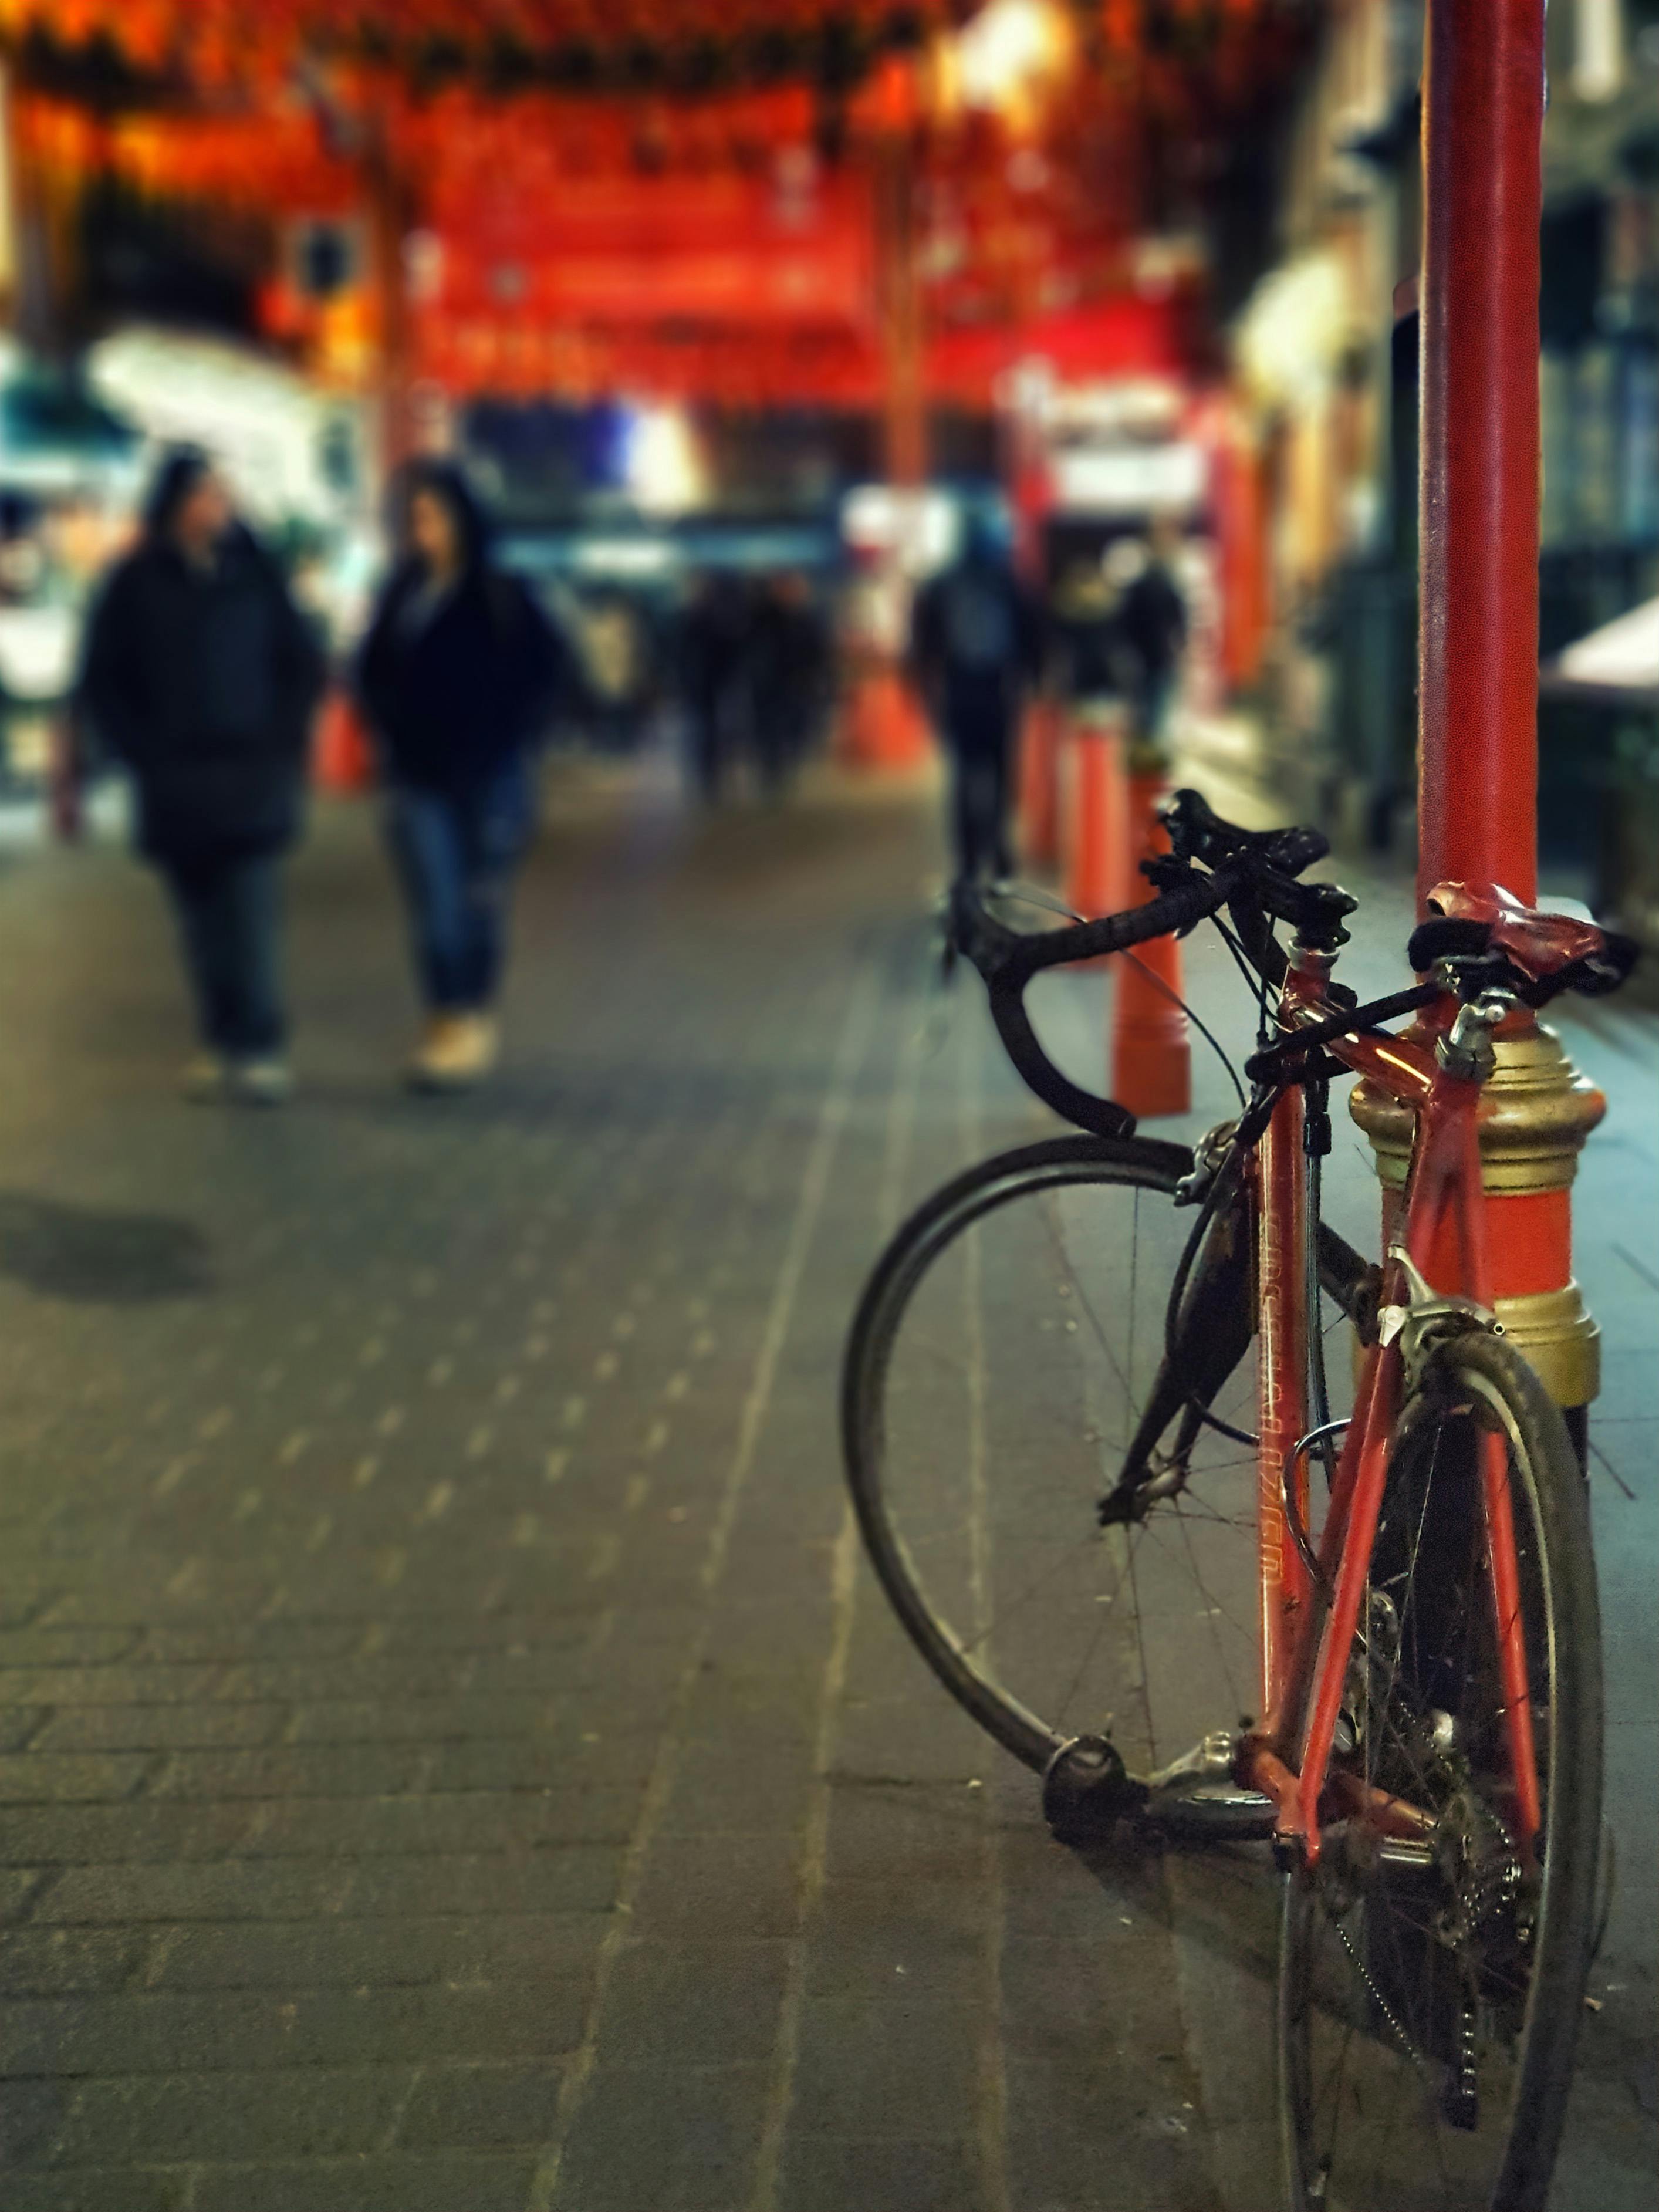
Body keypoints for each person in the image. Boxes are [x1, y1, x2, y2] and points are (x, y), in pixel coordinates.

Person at [79, 448, 325, 1105]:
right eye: (203, 494)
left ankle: (259, 1044)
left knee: (250, 914)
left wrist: (282, 743)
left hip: (249, 772)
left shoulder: (256, 574)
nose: (216, 506)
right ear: (174, 503)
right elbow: (103, 680)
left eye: (222, 493)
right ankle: (220, 1039)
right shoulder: (135, 582)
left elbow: (302, 662)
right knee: (201, 921)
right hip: (176, 781)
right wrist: (141, 754)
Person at [356, 461, 566, 1093]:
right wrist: (388, 728)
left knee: (479, 903)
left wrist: (510, 733)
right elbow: (370, 670)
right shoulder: (401, 594)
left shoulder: (503, 593)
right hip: (419, 777)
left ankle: (469, 1014)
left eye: (434, 516)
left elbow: (547, 670)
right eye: (414, 519)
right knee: (436, 907)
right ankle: (447, 1019)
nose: (424, 531)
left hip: (491, 775)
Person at [910, 513, 1041, 883]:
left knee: (965, 774)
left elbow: (923, 643)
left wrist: (925, 690)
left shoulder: (942, 584)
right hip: (1000, 689)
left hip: (959, 689)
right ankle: (998, 849)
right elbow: (1034, 632)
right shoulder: (1010, 581)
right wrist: (1034, 678)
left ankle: (968, 860)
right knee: (1001, 773)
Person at [747, 572, 830, 798]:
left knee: (792, 727)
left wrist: (814, 675)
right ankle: (772, 772)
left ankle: (783, 767)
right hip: (768, 683)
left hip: (794, 682)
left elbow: (816, 652)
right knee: (769, 730)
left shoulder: (805, 619)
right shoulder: (762, 618)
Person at [1119, 515, 1188, 758]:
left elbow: (1180, 618)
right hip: (1153, 655)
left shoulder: (1151, 584)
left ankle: (1150, 752)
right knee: (1152, 708)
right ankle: (1150, 752)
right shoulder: (1156, 584)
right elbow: (1180, 618)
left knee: (1151, 708)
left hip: (1152, 655)